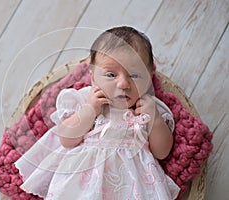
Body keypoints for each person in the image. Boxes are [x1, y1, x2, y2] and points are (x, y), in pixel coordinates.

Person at [15, 26, 180, 199]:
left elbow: (162, 152)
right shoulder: (85, 100)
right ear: (93, 76)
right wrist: (89, 111)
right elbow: (66, 139)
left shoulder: (149, 108)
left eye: (135, 75)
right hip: (83, 185)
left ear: (150, 76)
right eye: (111, 75)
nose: (123, 84)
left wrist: (155, 121)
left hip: (134, 186)